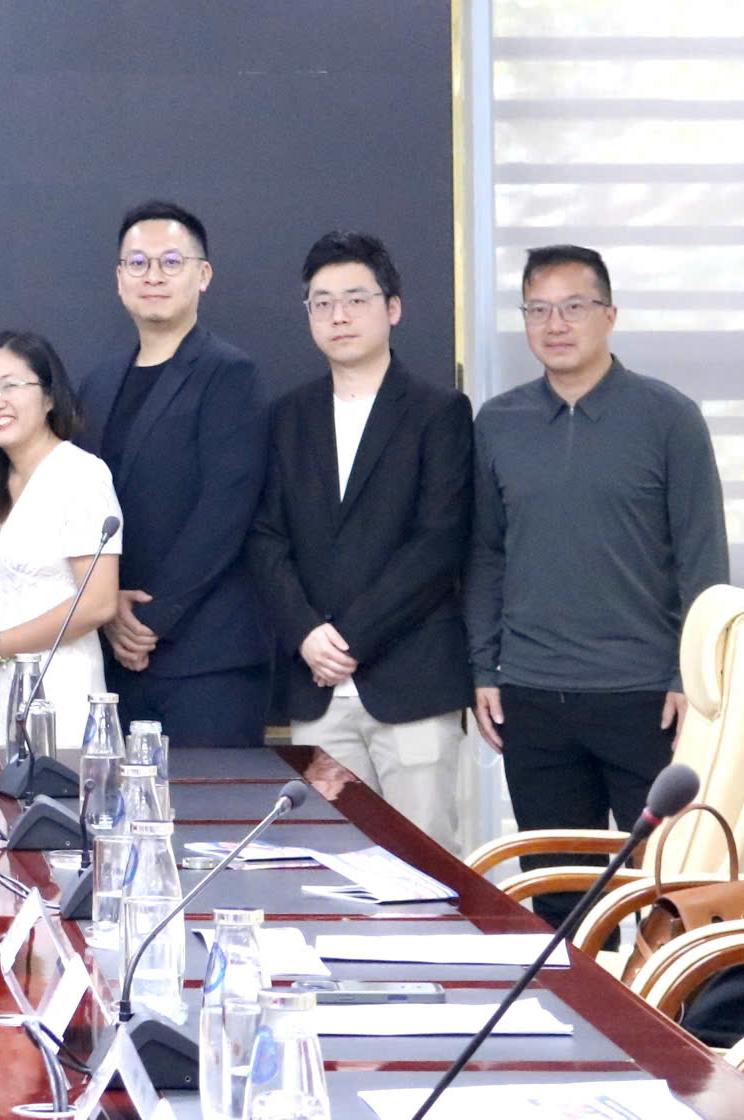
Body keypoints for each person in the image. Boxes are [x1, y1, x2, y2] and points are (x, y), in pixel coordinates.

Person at [468, 244, 728, 871]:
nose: (555, 324)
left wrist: (689, 681)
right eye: (537, 309)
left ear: (609, 315)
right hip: (532, 694)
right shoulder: (498, 422)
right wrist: (483, 667)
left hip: (646, 697)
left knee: (665, 884)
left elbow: (703, 562)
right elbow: (484, 554)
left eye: (573, 307)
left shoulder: (669, 417)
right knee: (556, 886)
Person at [246, 232, 475, 849]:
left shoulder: (438, 412)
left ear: (392, 308)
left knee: (425, 862)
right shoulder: (287, 417)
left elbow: (437, 544)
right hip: (317, 688)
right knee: (330, 859)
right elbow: (265, 538)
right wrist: (305, 632)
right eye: (321, 303)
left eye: (355, 299)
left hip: (411, 683)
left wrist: (348, 639)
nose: (338, 316)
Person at [78, 199, 270, 746]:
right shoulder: (97, 384)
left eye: (171, 262)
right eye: (138, 263)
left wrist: (151, 618)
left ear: (202, 275)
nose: (153, 276)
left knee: (204, 803)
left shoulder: (229, 373)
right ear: (119, 279)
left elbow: (225, 509)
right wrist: (107, 607)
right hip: (113, 656)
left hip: (208, 659)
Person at [0, 332, 123, 746]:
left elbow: (98, 603)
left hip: (58, 683)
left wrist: (2, 646)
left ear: (48, 398)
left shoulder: (80, 474)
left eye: (10, 386)